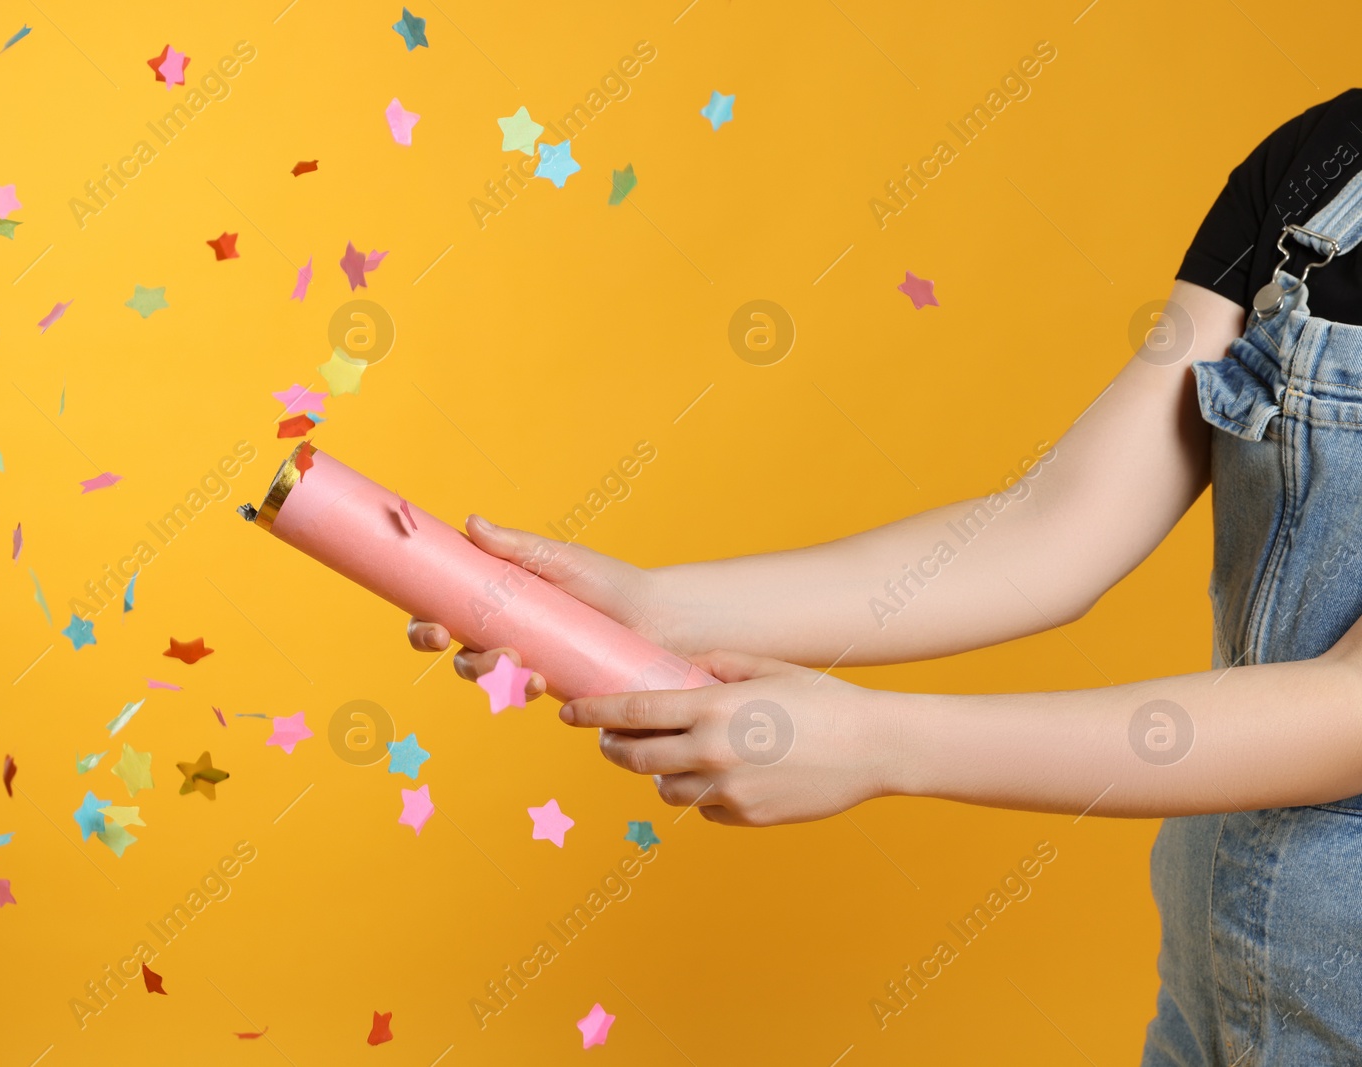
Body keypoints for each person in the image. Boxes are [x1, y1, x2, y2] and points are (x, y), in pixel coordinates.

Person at [406, 90, 1362, 1063]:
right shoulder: (1316, 170)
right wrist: (654, 607)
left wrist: (880, 741)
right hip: (1222, 982)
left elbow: (1351, 706)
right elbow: (1057, 530)